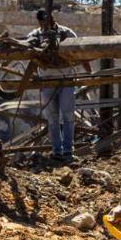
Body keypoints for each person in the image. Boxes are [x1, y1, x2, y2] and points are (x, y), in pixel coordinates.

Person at [27, 9, 91, 162]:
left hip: (66, 80)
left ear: (53, 20)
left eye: (48, 22)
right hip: (47, 81)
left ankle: (68, 151)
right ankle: (57, 151)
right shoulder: (35, 35)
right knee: (53, 118)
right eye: (42, 23)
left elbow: (79, 51)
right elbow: (28, 51)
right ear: (40, 23)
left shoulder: (66, 33)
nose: (45, 26)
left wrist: (88, 70)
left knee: (68, 116)